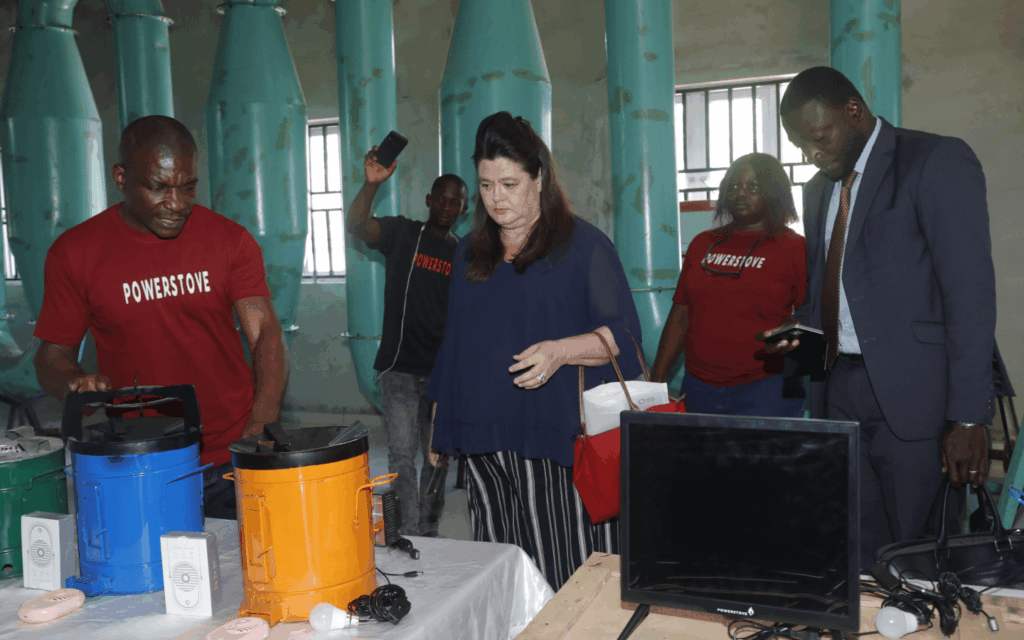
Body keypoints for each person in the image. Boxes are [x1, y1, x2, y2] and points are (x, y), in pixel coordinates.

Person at [759, 67, 1001, 567]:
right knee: (853, 546)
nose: (810, 153)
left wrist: (969, 416)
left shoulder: (932, 160)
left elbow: (969, 296)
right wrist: (798, 346)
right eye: (800, 144)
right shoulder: (818, 190)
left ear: (853, 111)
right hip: (838, 390)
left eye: (818, 137)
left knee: (919, 555)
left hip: (916, 398)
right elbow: (825, 289)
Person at [427, 111, 644, 591]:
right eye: (486, 185)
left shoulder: (583, 247)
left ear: (539, 178)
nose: (496, 198)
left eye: (509, 184)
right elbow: (455, 340)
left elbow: (623, 337)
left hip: (555, 440)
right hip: (483, 438)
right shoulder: (469, 251)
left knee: (567, 571)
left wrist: (560, 351)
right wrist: (441, 422)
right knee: (505, 573)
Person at [33, 115, 288, 520]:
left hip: (232, 452)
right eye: (159, 187)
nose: (177, 204)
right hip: (140, 459)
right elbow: (52, 353)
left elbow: (265, 332)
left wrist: (262, 421)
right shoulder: (75, 253)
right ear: (120, 178)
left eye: (188, 187)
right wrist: (74, 384)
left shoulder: (229, 240)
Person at [345, 147, 468, 537]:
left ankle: (427, 532)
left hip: (441, 375)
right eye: (441, 199)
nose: (446, 207)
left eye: (455, 202)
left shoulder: (463, 254)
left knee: (437, 458)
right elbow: (356, 225)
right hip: (398, 368)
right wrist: (370, 184)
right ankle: (407, 533)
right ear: (429, 200)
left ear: (463, 209)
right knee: (401, 455)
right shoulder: (403, 233)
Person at [650, 153, 806, 417]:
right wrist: (656, 379)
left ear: (773, 191)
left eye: (753, 187)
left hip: (767, 389)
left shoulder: (794, 247)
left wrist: (792, 334)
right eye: (733, 186)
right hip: (699, 388)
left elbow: (810, 317)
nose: (740, 194)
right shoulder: (703, 243)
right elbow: (681, 312)